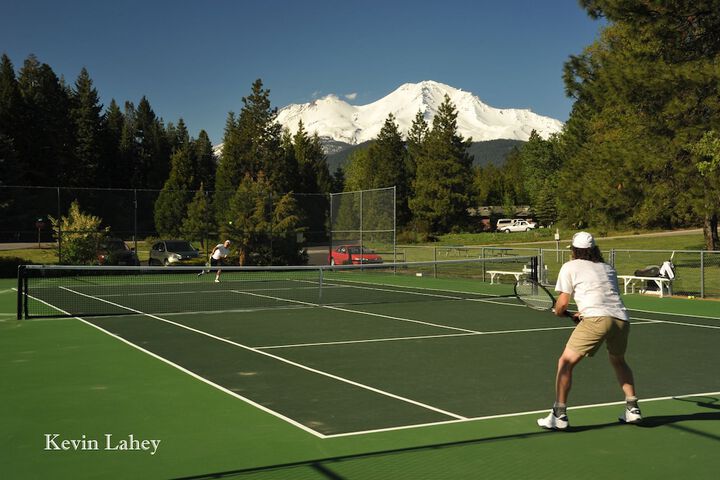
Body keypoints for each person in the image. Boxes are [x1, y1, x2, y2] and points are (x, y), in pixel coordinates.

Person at [537, 231, 642, 430]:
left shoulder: (570, 266)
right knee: (619, 360)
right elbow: (604, 298)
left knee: (565, 362)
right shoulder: (607, 268)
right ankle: (633, 409)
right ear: (594, 250)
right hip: (621, 319)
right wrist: (580, 314)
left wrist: (560, 312)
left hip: (596, 319)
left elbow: (562, 303)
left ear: (574, 250)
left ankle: (559, 414)